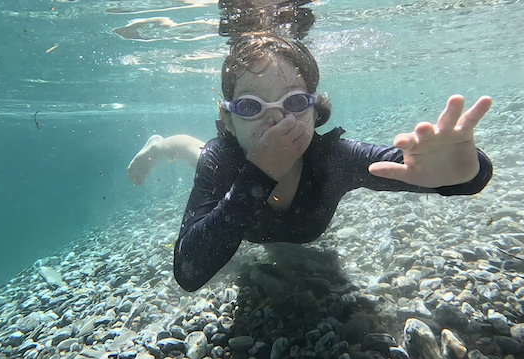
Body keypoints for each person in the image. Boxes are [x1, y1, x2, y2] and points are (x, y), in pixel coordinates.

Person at [129, 33, 493, 292]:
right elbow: (189, 271)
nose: (277, 122)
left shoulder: (334, 160)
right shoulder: (223, 161)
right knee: (193, 151)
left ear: (314, 110)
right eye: (252, 107)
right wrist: (259, 172)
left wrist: (466, 172)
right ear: (229, 121)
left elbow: (440, 170)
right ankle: (159, 146)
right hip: (228, 163)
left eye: (294, 103)